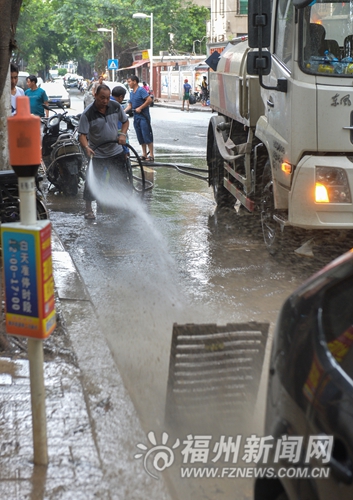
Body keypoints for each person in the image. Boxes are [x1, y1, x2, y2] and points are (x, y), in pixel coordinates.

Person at [78, 83, 129, 220]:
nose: (105, 101)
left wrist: (122, 134)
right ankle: (88, 209)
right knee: (92, 182)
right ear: (95, 95)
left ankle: (122, 205)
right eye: (102, 98)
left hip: (115, 151)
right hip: (97, 154)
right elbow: (82, 134)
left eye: (107, 98)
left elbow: (125, 121)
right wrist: (86, 147)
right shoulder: (87, 114)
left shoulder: (116, 107)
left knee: (122, 180)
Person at [125, 75, 154, 162]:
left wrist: (140, 108)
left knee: (146, 134)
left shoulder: (141, 90)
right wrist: (122, 112)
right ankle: (144, 154)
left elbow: (149, 100)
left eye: (129, 81)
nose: (128, 83)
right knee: (140, 135)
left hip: (143, 116)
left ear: (134, 81)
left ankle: (151, 155)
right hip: (136, 117)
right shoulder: (131, 93)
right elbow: (130, 105)